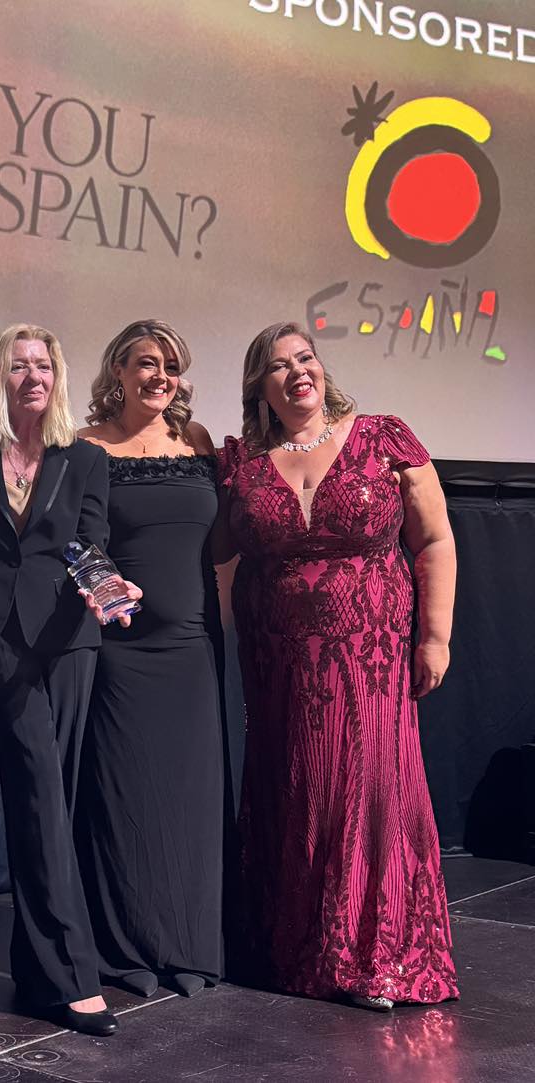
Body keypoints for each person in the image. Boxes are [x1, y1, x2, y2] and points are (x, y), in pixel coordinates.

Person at [217, 321, 459, 1011]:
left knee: (367, 791)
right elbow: (213, 552)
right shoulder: (244, 465)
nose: (297, 371)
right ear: (259, 387)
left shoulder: (383, 438)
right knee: (296, 791)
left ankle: (376, 956)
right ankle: (297, 954)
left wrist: (434, 638)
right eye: (278, 365)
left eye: (306, 357)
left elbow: (434, 539)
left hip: (369, 657)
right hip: (278, 662)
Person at [0, 324, 133, 1037]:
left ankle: (36, 973)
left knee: (51, 800)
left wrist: (108, 584)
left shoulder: (83, 457)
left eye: (43, 364)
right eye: (18, 365)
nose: (33, 375)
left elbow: (89, 543)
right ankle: (72, 974)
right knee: (38, 793)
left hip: (69, 637)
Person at [75, 320, 226, 1000]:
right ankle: (125, 950)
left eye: (170, 364)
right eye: (144, 362)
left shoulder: (198, 442)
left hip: (191, 650)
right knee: (124, 802)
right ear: (118, 370)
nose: (159, 375)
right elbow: (76, 541)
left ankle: (189, 946)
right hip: (120, 651)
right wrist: (108, 591)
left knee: (191, 803)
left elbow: (219, 544)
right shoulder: (86, 445)